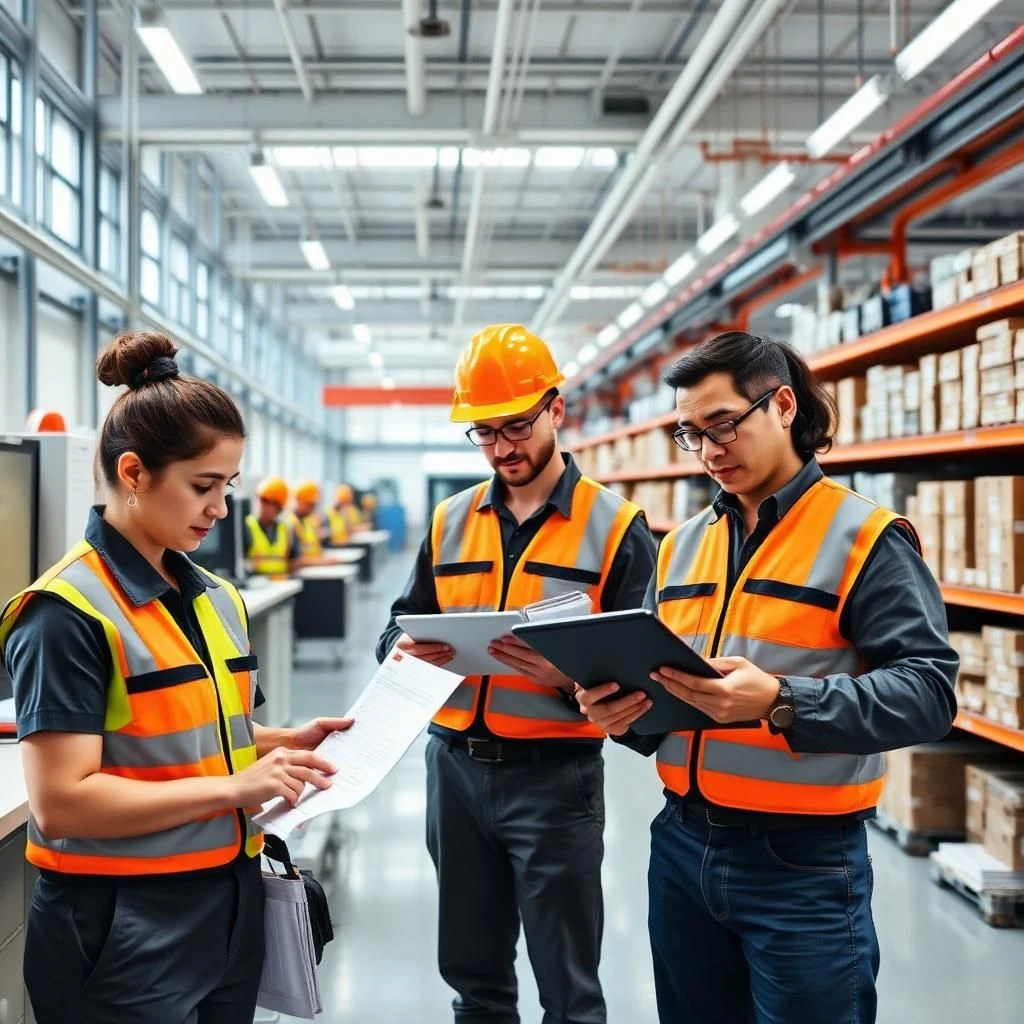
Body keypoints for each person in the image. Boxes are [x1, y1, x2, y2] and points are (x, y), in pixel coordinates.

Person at [574, 331, 959, 1024]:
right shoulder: (684, 543)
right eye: (691, 434)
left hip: (803, 865)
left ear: (782, 406)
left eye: (723, 424)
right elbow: (672, 690)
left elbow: (929, 692)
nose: (710, 450)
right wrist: (622, 714)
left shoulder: (865, 537)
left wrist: (781, 701)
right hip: (682, 844)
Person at [0, 331, 351, 1024]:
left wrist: (280, 740)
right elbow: (62, 803)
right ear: (133, 473)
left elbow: (193, 731)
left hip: (226, 902)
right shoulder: (65, 613)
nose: (220, 508)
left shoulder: (215, 598)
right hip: (123, 924)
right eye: (203, 486)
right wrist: (236, 786)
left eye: (228, 485)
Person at [376, 323, 657, 1024]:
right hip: (455, 774)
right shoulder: (448, 521)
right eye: (484, 432)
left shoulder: (618, 528)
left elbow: (647, 681)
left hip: (555, 781)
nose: (502, 447)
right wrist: (399, 652)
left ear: (557, 410)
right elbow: (399, 621)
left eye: (517, 426)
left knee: (568, 988)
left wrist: (566, 675)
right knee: (475, 982)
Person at [245, 475, 301, 578]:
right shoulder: (247, 526)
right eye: (263, 500)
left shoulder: (286, 529)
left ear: (279, 507)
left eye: (271, 503)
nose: (264, 506)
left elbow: (294, 561)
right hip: (255, 583)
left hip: (281, 583)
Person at [290, 480, 329, 559]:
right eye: (309, 504)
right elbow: (294, 561)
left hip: (316, 567)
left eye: (313, 505)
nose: (312, 508)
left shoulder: (310, 521)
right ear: (299, 501)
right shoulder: (290, 524)